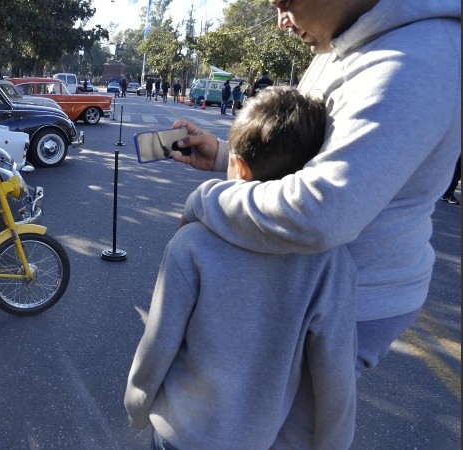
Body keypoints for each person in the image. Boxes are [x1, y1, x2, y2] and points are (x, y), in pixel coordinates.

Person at [170, 0, 459, 389]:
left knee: (258, 422)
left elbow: (321, 211)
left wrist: (206, 202)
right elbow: (307, 157)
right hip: (310, 285)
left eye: (285, 3)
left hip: (348, 300)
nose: (280, 21)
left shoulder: (417, 56)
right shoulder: (342, 38)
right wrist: (230, 158)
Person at [126, 87, 357, 448]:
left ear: (241, 166)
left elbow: (158, 345)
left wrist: (137, 406)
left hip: (179, 432)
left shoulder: (192, 245)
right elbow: (335, 376)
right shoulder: (330, 262)